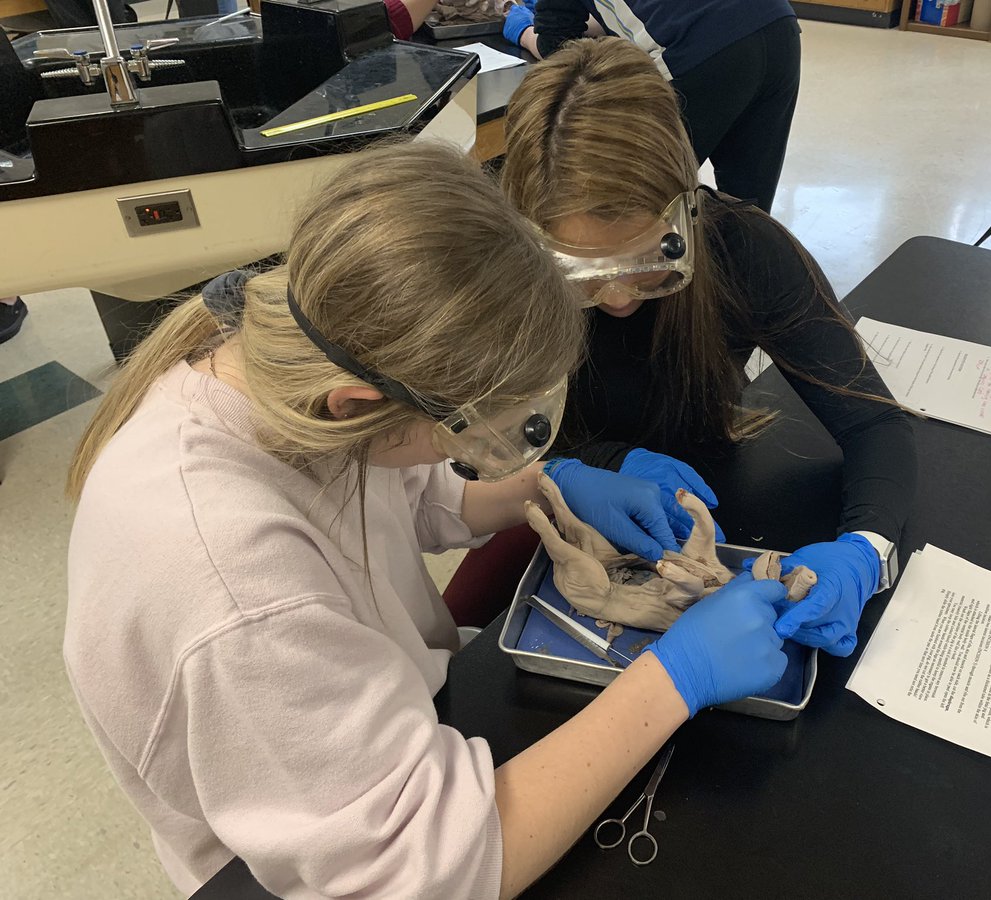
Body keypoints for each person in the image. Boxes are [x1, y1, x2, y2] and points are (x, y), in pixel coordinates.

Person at [63, 140, 789, 899]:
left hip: (378, 726)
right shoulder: (235, 588)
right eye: (476, 433)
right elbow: (430, 867)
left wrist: (544, 489)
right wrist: (674, 679)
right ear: (361, 407)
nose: (484, 452)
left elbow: (400, 489)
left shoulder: (288, 379)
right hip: (305, 863)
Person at [480, 39, 919, 658]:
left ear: (684, 213)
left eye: (644, 264)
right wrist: (569, 470)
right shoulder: (492, 268)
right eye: (580, 274)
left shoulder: (744, 250)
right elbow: (458, 451)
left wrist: (865, 554)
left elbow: (876, 422)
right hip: (536, 497)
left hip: (704, 493)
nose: (618, 299)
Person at [503, 0, 800, 213]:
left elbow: (559, 46)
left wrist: (524, 31)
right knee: (748, 201)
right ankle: (748, 287)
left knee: (645, 198)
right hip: (776, 24)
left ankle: (658, 290)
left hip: (702, 44)